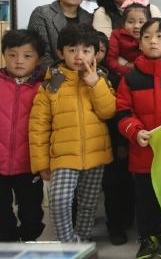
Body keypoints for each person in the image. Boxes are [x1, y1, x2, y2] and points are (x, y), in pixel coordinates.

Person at [29, 23, 115, 243]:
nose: (79, 56)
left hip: (96, 154)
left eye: (86, 50)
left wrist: (95, 84)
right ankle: (68, 245)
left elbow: (108, 112)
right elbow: (38, 125)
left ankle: (82, 242)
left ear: (95, 53)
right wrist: (41, 163)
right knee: (59, 200)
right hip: (63, 156)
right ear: (60, 53)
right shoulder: (51, 84)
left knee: (88, 204)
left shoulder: (101, 79)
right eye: (72, 50)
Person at [116, 18, 161, 259]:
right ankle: (148, 239)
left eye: (159, 36)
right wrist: (135, 131)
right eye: (146, 37)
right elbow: (123, 111)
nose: (152, 41)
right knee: (145, 200)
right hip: (143, 153)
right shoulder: (131, 77)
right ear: (140, 44)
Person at [0, 30, 45, 242]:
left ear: (39, 59)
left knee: (32, 213)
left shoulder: (45, 88)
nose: (19, 61)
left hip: (29, 164)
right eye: (12, 55)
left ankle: (28, 240)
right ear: (4, 55)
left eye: (27, 55)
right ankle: (8, 242)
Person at [95, 30, 135, 245]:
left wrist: (121, 142)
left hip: (114, 140)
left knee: (117, 185)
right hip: (87, 142)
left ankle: (117, 225)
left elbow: (118, 112)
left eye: (100, 50)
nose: (95, 55)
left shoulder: (114, 78)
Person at [28, 0, 94, 68]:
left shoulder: (89, 18)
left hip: (84, 73)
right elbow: (40, 53)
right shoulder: (42, 13)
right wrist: (63, 74)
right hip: (51, 73)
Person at [105, 0, 151, 78]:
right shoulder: (117, 35)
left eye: (141, 22)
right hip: (121, 73)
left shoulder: (151, 36)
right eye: (130, 22)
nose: (136, 26)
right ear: (123, 24)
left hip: (145, 73)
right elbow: (110, 60)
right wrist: (128, 71)